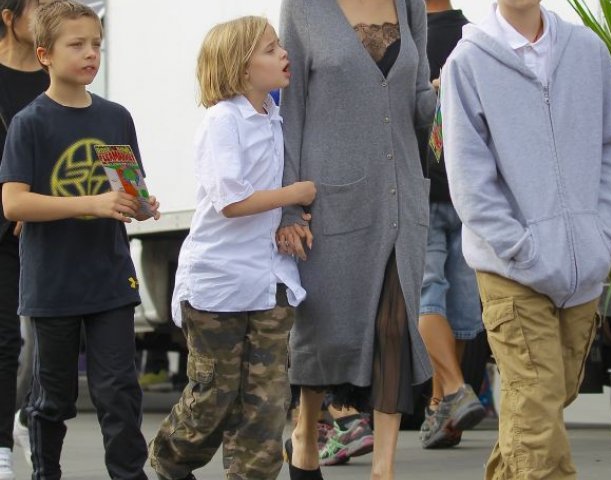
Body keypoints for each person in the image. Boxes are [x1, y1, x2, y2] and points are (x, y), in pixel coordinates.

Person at [441, 0, 611, 478]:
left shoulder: (588, 50)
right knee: (537, 406)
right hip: (510, 266)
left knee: (545, 400)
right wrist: (520, 248)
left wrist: (605, 234)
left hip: (582, 266)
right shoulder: (467, 62)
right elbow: (468, 176)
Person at [148, 17, 315, 480]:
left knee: (267, 401)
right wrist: (295, 194)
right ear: (242, 69)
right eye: (270, 49)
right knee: (214, 395)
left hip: (269, 280)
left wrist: (289, 215)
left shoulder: (276, 117)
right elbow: (232, 201)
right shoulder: (223, 120)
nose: (284, 53)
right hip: (218, 282)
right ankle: (168, 461)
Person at [0, 1, 160, 478]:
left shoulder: (114, 118)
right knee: (53, 399)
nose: (91, 53)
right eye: (77, 45)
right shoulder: (31, 122)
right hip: (53, 285)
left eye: (96, 44)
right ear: (45, 54)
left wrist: (142, 204)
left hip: (110, 280)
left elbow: (128, 190)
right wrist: (93, 203)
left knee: (119, 392)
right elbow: (14, 203)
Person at [278, 0, 436, 478]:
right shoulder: (304, 8)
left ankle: (383, 468)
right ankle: (306, 433)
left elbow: (418, 99)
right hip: (329, 198)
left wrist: (449, 92)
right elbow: (292, 110)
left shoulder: (409, 4)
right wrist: (289, 206)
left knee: (395, 326)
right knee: (323, 329)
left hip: (399, 194)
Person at [416, 0, 486, 450]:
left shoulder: (403, 39)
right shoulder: (475, 38)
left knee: (431, 296)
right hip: (468, 189)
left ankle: (451, 396)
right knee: (461, 308)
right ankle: (445, 404)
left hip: (421, 186)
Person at [0, 0, 50, 476]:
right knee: (4, 343)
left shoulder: (55, 75)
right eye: (39, 6)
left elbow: (77, 144)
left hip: (49, 230)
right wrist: (13, 203)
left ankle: (26, 421)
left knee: (50, 348)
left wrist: (39, 202)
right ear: (9, 17)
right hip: (3, 229)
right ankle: (1, 449)